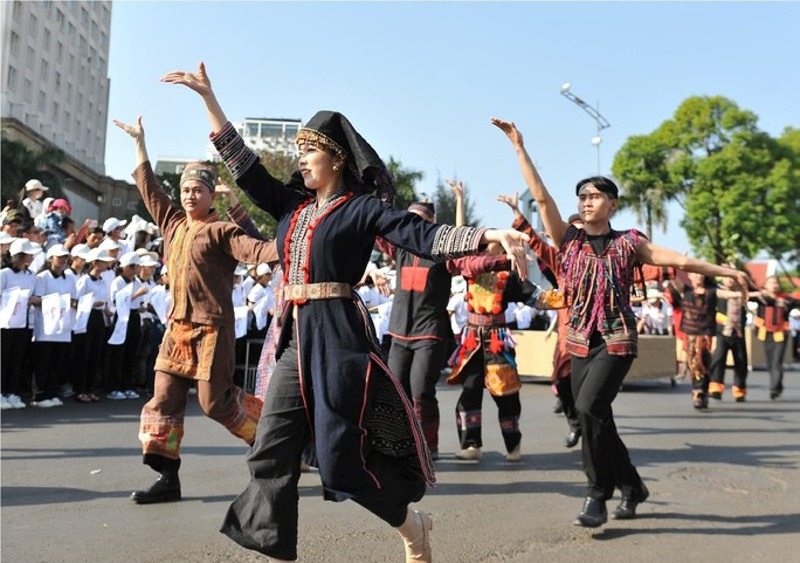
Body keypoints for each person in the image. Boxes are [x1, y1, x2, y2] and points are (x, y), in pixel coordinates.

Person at [162, 61, 530, 562]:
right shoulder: (293, 206)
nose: (303, 159)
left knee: (340, 464)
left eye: (310, 150)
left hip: (340, 339)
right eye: (300, 151)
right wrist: (209, 98)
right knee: (270, 447)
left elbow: (420, 235)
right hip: (295, 337)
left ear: (335, 157)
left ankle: (411, 525)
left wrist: (488, 234)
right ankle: (269, 544)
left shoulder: (362, 208)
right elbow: (245, 168)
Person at [493, 117, 751, 528]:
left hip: (616, 340)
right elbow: (541, 200)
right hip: (579, 340)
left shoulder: (630, 242)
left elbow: (681, 260)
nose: (585, 202)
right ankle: (633, 487)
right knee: (599, 418)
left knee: (588, 408)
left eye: (594, 196)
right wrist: (519, 147)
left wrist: (726, 271)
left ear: (612, 203)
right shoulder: (569, 239)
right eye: (581, 197)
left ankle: (597, 494)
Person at [114, 115, 280, 506]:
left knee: (215, 404)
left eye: (197, 190)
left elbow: (258, 251)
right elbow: (150, 187)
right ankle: (167, 479)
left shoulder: (222, 230)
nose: (189, 196)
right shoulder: (172, 224)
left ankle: (277, 441)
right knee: (163, 401)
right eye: (185, 189)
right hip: (176, 331)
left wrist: (296, 242)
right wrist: (140, 141)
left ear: (209, 196)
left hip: (212, 330)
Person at [380, 183, 464, 460]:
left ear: (432, 225)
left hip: (429, 333)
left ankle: (429, 445)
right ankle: (401, 442)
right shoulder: (400, 249)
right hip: (399, 332)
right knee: (397, 391)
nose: (412, 226)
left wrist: (460, 203)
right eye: (410, 219)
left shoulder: (441, 255)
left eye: (419, 221)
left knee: (421, 391)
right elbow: (376, 225)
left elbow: (461, 242)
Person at [498, 191, 583, 449]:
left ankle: (593, 431)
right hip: (569, 332)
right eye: (574, 233)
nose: (579, 239)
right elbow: (535, 243)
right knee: (564, 380)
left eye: (583, 234)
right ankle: (575, 424)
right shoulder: (561, 261)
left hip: (599, 333)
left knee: (593, 392)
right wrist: (516, 212)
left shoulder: (606, 257)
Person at [445, 251, 537, 462]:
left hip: (498, 341)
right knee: (470, 391)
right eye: (484, 247)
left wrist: (565, 296)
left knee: (506, 395)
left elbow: (534, 297)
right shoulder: (469, 268)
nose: (488, 252)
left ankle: (513, 444)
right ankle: (471, 444)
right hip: (472, 343)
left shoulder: (509, 276)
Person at [0, 239, 42, 409]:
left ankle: (12, 392)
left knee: (17, 358)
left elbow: (35, 296)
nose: (31, 258)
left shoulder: (31, 275)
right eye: (28, 255)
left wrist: (34, 300)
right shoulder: (4, 274)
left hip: (22, 322)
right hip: (4, 323)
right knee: (3, 358)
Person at [750, 275, 799, 400]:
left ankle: (774, 388)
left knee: (777, 360)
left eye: (775, 282)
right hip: (765, 332)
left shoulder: (785, 298)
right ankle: (777, 385)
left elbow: (797, 303)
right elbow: (748, 293)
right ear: (766, 285)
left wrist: (786, 303)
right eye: (771, 282)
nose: (774, 285)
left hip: (780, 333)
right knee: (771, 361)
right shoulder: (762, 298)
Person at [708, 275, 750, 402]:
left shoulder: (741, 293)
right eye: (727, 277)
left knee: (741, 362)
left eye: (733, 277)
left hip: (738, 333)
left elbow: (751, 289)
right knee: (718, 359)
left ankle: (739, 390)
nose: (730, 280)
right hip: (722, 332)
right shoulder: (717, 292)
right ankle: (716, 387)